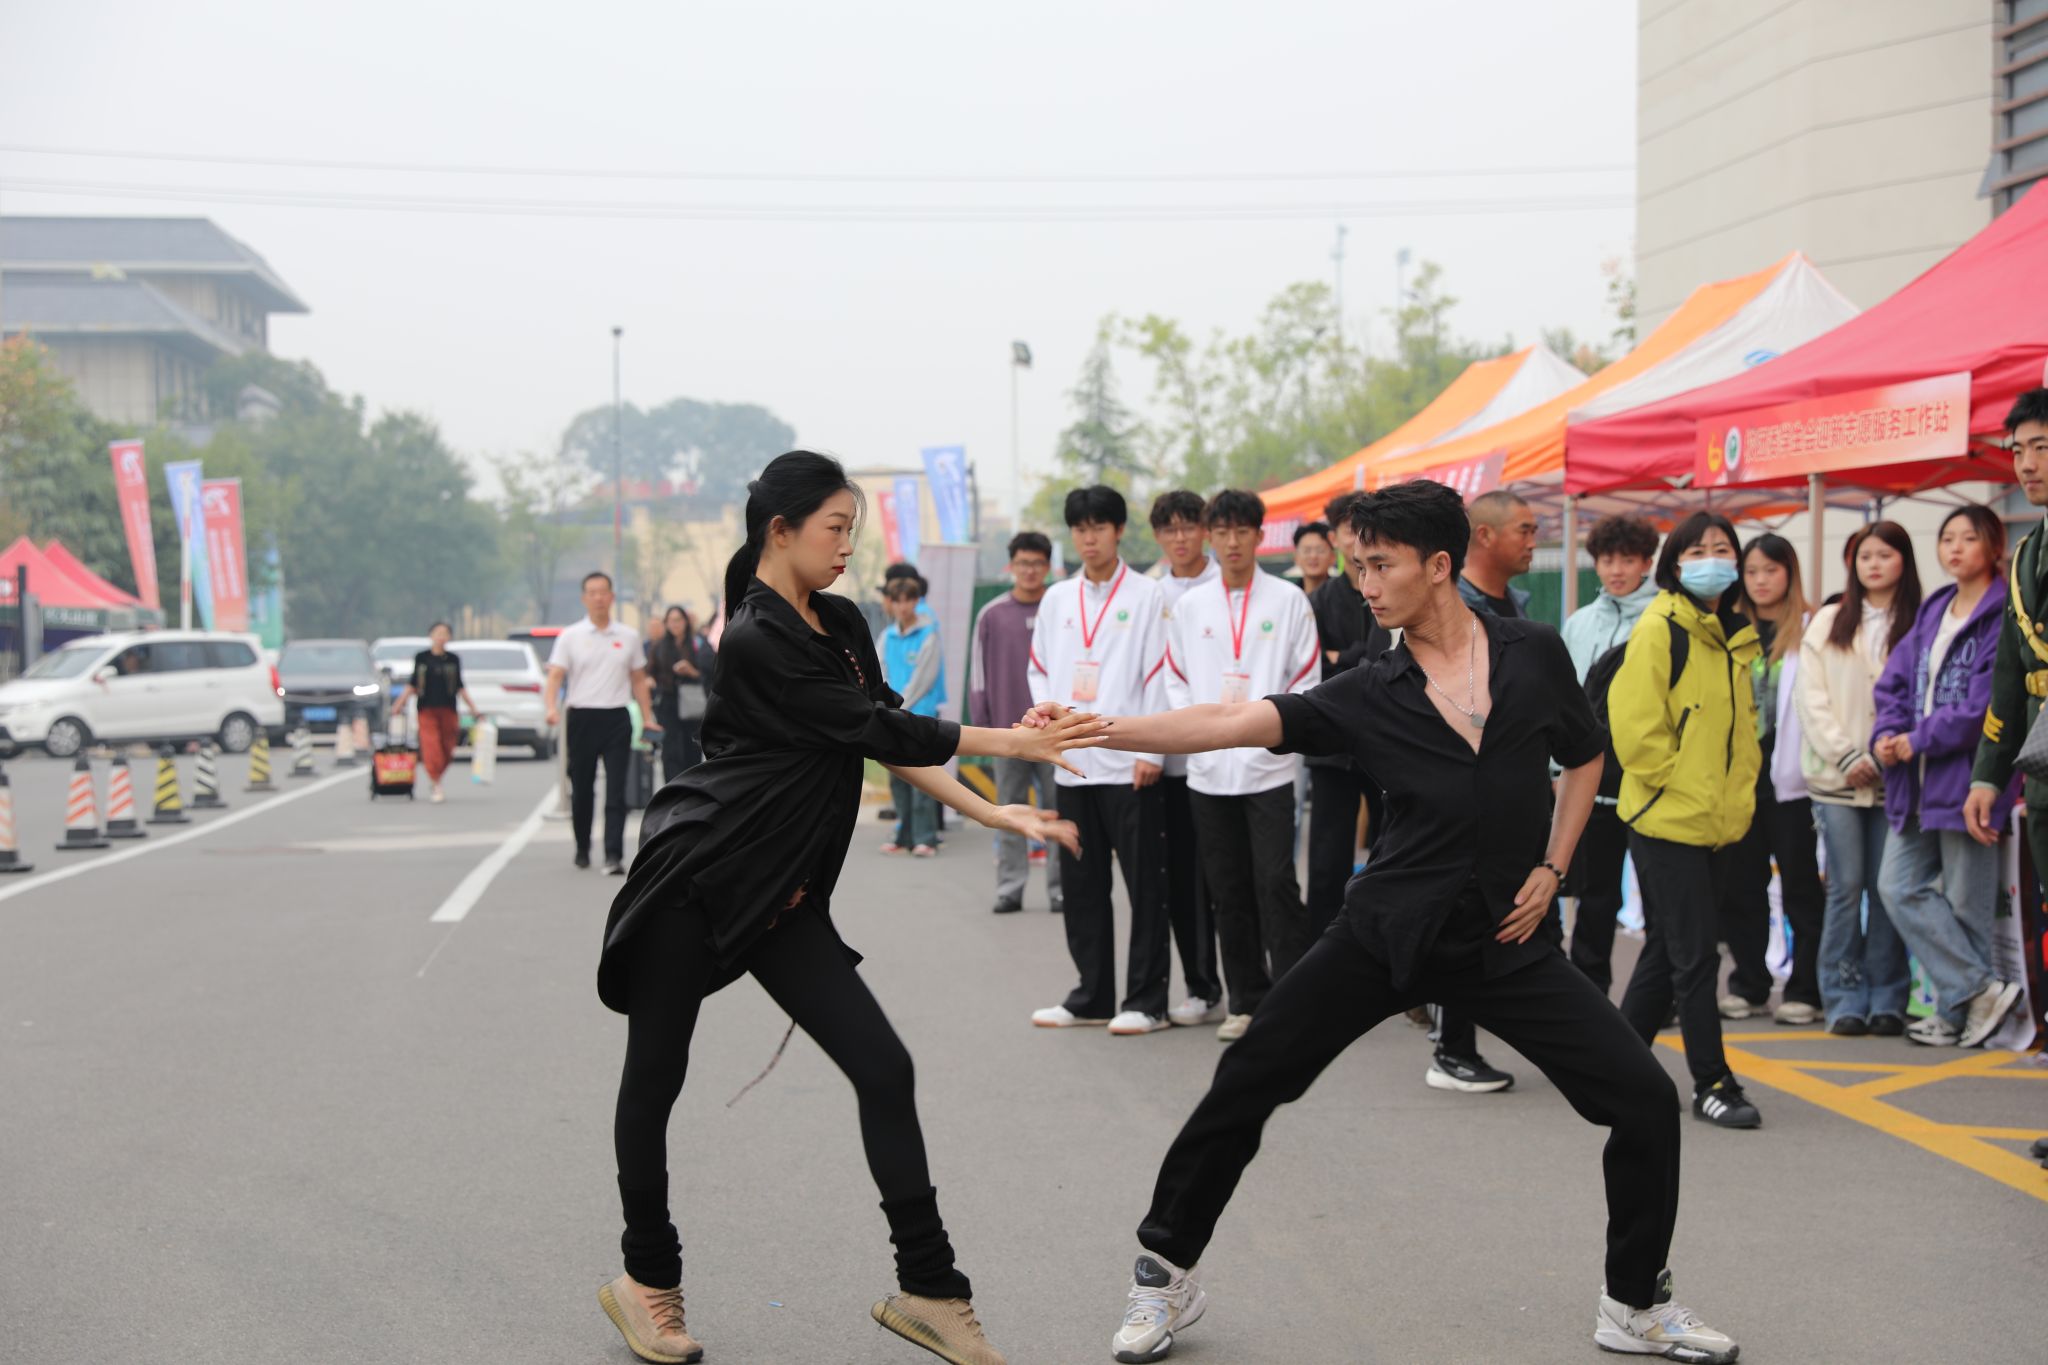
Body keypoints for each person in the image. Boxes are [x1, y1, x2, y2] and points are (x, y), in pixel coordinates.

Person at [1027, 480, 1735, 1365]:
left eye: (1378, 565)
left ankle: (1634, 1303)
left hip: (1502, 940)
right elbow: (1227, 717)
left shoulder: (1533, 655)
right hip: (1384, 931)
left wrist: (1553, 866)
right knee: (1249, 1076)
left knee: (1643, 1099)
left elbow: (1586, 755)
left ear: (1437, 565)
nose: (1363, 583)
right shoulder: (1368, 689)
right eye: (1356, 566)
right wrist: (1098, 727)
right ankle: (1164, 1272)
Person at [596, 450, 1103, 1365]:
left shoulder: (838, 621)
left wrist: (990, 806)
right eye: (835, 529)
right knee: (656, 1077)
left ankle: (931, 1290)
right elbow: (872, 726)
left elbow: (880, 733)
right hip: (697, 880)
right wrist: (1014, 741)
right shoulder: (753, 637)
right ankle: (647, 1278)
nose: (846, 548)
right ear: (779, 529)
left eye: (853, 532)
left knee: (883, 1066)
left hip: (780, 893)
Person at [1608, 511, 1764, 1130]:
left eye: (1723, 548)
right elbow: (1635, 726)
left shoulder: (1734, 635)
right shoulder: (1661, 627)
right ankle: (1712, 1082)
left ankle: (1611, 1068)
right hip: (1666, 818)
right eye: (1697, 550)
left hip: (1717, 822)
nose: (1712, 559)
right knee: (1696, 956)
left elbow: (1740, 734)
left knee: (1668, 951)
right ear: (1675, 564)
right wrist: (1673, 780)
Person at [1161, 489, 1321, 1041]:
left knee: (1275, 882)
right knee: (1226, 888)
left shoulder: (1289, 601)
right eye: (1223, 532)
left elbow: (1306, 679)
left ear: (1259, 535)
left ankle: (1295, 1001)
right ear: (1212, 536)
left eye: (1242, 532)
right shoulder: (1190, 607)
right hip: (1209, 773)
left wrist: (1270, 735)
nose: (1232, 542)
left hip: (1268, 769)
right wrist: (1203, 734)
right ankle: (1246, 1001)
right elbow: (1175, 679)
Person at [1027, 485, 1175, 1036]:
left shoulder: (1148, 595)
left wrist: (1151, 749)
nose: (1089, 538)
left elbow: (1161, 673)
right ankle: (1091, 995)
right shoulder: (1057, 599)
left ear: (1118, 531)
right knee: (1082, 884)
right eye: (1080, 529)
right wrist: (1049, 731)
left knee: (1145, 885)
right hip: (1072, 763)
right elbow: (1040, 668)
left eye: (1099, 527)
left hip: (1129, 763)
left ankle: (1147, 1000)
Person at [1874, 506, 2025, 1047]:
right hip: (1914, 781)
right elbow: (1894, 682)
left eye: (1969, 538)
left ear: (1994, 546)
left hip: (1969, 780)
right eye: (1947, 538)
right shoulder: (1936, 607)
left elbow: (1989, 703)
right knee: (1896, 885)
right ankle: (1978, 991)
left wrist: (1919, 738)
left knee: (1966, 905)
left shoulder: (2003, 610)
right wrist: (1887, 734)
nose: (1955, 548)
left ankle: (1959, 1015)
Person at [1411, 486, 1538, 1094]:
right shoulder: (1449, 612)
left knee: (1517, 922)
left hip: (1513, 797)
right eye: (1524, 530)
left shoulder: (1519, 608)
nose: (1533, 541)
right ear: (1483, 537)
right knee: (1462, 921)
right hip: (1459, 801)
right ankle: (1451, 1046)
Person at [1799, 521, 1920, 1037]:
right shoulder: (1829, 621)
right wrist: (1847, 754)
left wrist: (1893, 749)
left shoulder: (1921, 619)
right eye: (1865, 556)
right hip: (1837, 779)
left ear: (1904, 561)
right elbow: (1811, 698)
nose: (1874, 564)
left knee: (1887, 889)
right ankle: (1843, 997)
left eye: (1885, 555)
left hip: (1898, 778)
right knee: (1846, 888)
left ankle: (1889, 997)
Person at [1966, 391, 2048, 1053]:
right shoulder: (2024, 555)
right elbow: (2009, 678)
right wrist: (1987, 775)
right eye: (2019, 450)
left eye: (2041, 447)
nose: (2027, 465)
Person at [1722, 534, 1826, 1025]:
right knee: (1742, 888)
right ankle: (1749, 984)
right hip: (1741, 781)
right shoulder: (1728, 627)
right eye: (1752, 572)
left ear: (1790, 573)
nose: (1760, 581)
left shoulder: (1813, 626)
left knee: (1801, 887)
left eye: (1771, 570)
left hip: (1793, 782)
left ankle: (1806, 988)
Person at [1557, 513, 1660, 994]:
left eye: (1628, 560)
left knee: (1659, 897)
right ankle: (1589, 993)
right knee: (1595, 895)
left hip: (1650, 780)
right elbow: (1562, 697)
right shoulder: (1580, 623)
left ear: (1647, 562)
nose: (1616, 570)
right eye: (1607, 560)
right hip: (1592, 779)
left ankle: (1659, 994)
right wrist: (1557, 768)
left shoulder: (1664, 618)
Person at [1149, 490, 1225, 1028]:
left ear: (1206, 531)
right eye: (1169, 529)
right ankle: (1202, 987)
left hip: (1229, 758)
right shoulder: (1149, 594)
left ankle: (1256, 987)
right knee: (1184, 882)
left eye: (1188, 527)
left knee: (1238, 880)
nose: (1180, 538)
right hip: (1170, 765)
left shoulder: (1229, 586)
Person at [1304, 491, 1391, 939]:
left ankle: (1383, 941)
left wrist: (1346, 656)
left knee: (1390, 851)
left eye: (1363, 529)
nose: (1355, 537)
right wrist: (1357, 658)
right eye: (1346, 528)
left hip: (1386, 742)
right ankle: (1321, 949)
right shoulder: (1318, 601)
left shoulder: (1392, 590)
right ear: (1334, 537)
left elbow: (1387, 660)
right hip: (1331, 742)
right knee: (1326, 859)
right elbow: (1313, 666)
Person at [969, 531, 1063, 914]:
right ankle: (1010, 888)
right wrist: (984, 730)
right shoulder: (992, 615)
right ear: (1012, 566)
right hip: (1008, 734)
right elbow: (978, 676)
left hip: (1056, 733)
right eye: (1023, 563)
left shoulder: (1059, 608)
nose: (1030, 570)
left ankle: (1060, 889)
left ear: (1048, 566)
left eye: (1038, 563)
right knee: (1008, 811)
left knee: (1058, 811)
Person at [546, 571, 662, 875]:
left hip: (616, 717)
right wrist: (551, 708)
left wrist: (647, 718)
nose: (598, 597)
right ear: (584, 598)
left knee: (616, 790)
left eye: (603, 592)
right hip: (582, 717)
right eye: (592, 592)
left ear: (612, 596)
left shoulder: (628, 636)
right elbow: (555, 676)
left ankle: (613, 854)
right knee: (582, 787)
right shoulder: (571, 636)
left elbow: (638, 679)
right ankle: (582, 847)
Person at [879, 573, 947, 857]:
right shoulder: (886, 636)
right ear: (891, 603)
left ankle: (926, 838)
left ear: (917, 602)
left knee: (923, 777)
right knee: (898, 778)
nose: (903, 606)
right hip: (892, 716)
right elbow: (880, 671)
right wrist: (887, 707)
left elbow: (924, 678)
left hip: (920, 716)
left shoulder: (928, 634)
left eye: (908, 600)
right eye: (897, 601)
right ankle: (903, 835)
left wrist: (900, 706)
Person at [392, 622, 479, 804]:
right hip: (426, 709)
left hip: (448, 709)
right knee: (431, 745)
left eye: (444, 633)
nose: (441, 637)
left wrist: (473, 708)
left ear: (449, 637)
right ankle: (435, 782)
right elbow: (413, 683)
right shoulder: (422, 658)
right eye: (437, 633)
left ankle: (436, 776)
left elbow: (460, 686)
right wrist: (399, 703)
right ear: (431, 635)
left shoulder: (453, 659)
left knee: (448, 746)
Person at [648, 606, 717, 783]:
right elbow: (650, 673)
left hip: (692, 702)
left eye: (678, 620)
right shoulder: (659, 646)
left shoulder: (697, 644)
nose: (675, 624)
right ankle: (672, 789)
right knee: (670, 751)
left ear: (686, 622)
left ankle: (690, 789)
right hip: (668, 704)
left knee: (691, 749)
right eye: (671, 620)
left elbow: (710, 673)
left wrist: (691, 672)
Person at [1291, 520, 1334, 596]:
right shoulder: (1290, 596)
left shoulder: (1343, 594)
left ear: (1333, 557)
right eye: (1307, 550)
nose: (1313, 556)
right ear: (1296, 558)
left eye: (1320, 550)